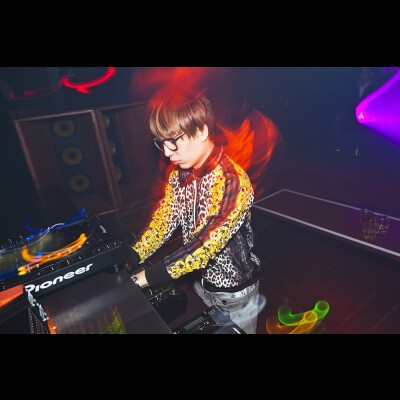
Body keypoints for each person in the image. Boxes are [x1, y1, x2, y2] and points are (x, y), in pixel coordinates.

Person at [127, 90, 262, 334]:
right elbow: (165, 219)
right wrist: (132, 256)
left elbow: (203, 246)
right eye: (161, 143)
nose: (166, 152)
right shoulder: (178, 174)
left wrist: (143, 278)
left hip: (235, 295)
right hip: (201, 284)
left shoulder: (232, 181)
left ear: (200, 131)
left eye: (172, 141)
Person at [333, 67, 378, 155]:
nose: (363, 74)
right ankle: (342, 148)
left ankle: (365, 152)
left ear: (370, 74)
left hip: (367, 115)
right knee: (338, 119)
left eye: (365, 72)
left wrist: (361, 104)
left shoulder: (374, 86)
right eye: (361, 72)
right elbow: (347, 99)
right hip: (352, 113)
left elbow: (374, 103)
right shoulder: (353, 85)